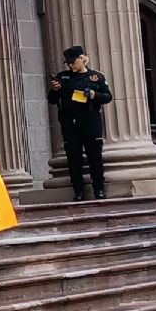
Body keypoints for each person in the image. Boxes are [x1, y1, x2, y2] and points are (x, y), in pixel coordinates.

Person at [48, 45, 113, 201]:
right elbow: (52, 100)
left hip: (90, 120)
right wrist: (54, 90)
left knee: (95, 156)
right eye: (68, 63)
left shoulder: (96, 76)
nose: (70, 65)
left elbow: (108, 96)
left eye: (73, 62)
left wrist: (93, 95)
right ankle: (78, 191)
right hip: (70, 122)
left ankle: (99, 188)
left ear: (82, 59)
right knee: (73, 157)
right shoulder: (62, 77)